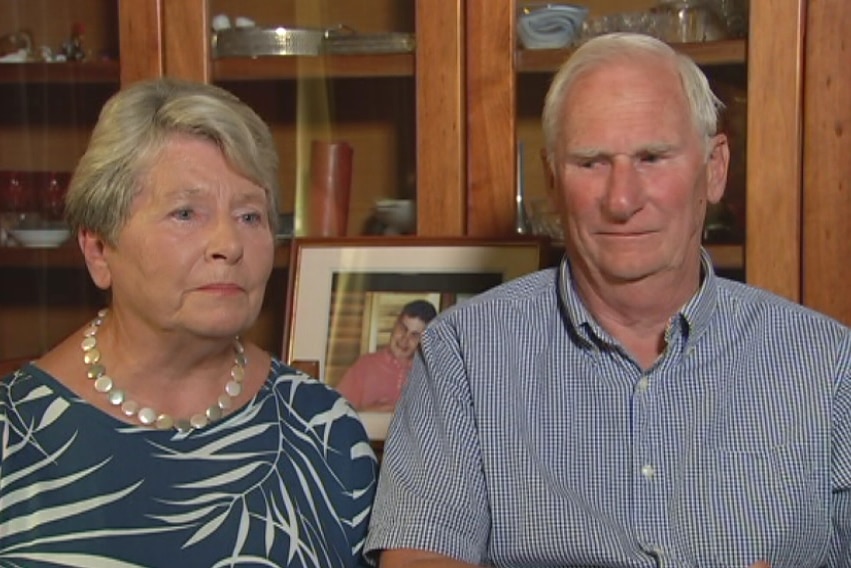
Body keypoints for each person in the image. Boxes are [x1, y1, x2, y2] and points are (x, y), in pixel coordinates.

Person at [365, 33, 851, 567]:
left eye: (652, 157)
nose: (622, 200)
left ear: (714, 169)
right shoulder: (464, 351)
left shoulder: (827, 363)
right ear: (553, 179)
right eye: (592, 162)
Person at [0, 78, 377, 567]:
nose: (229, 244)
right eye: (185, 213)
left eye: (249, 216)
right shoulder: (13, 437)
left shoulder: (325, 432)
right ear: (98, 249)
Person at [336, 299, 437, 412]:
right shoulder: (365, 365)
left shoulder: (431, 375)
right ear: (394, 325)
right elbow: (336, 413)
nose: (404, 339)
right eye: (403, 328)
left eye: (414, 335)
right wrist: (369, 413)